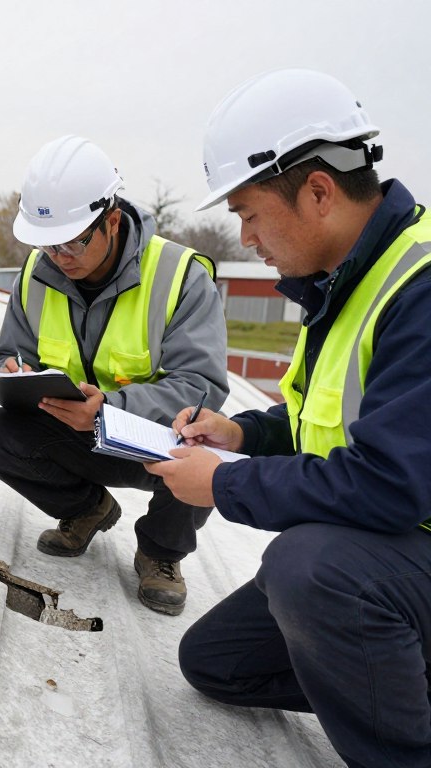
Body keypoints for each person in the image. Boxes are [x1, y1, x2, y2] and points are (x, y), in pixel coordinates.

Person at [147, 69, 431, 767]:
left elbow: (390, 483)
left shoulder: (420, 290)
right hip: (399, 559)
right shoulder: (350, 282)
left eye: (248, 213)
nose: (245, 237)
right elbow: (327, 425)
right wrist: (243, 433)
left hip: (400, 550)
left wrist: (224, 484)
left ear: (318, 192)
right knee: (215, 662)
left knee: (310, 568)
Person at [0, 136, 229, 615]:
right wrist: (10, 370)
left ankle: (161, 552)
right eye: (47, 243)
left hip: (153, 443)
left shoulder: (180, 277)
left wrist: (112, 409)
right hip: (75, 436)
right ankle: (87, 509)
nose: (59, 255)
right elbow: (10, 350)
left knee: (208, 442)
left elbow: (201, 386)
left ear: (111, 220)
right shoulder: (35, 275)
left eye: (72, 241)